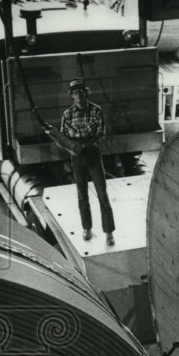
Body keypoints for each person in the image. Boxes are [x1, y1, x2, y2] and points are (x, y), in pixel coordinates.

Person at [44, 79, 115, 245]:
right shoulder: (67, 115)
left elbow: (102, 134)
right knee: (82, 195)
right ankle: (87, 228)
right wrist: (72, 148)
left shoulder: (96, 111)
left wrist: (86, 146)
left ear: (86, 93)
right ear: (71, 96)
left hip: (93, 155)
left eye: (81, 92)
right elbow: (62, 139)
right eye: (75, 93)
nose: (79, 95)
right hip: (77, 158)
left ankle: (109, 232)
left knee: (102, 194)